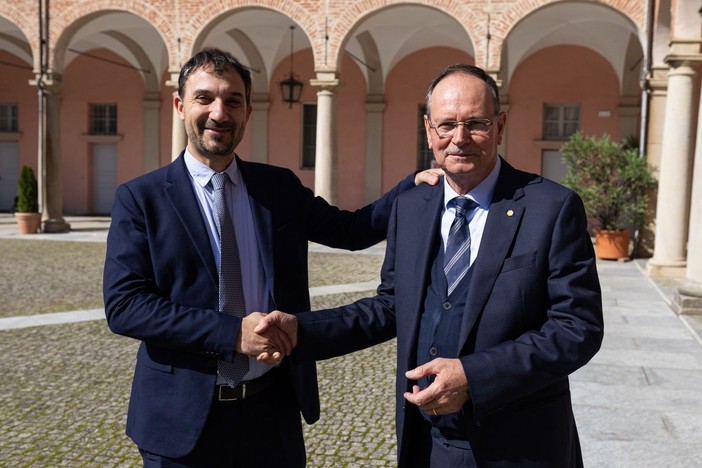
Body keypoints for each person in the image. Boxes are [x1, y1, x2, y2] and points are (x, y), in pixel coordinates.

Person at [102, 48, 439, 466]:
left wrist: (411, 186)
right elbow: (126, 307)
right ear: (179, 105)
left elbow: (350, 231)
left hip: (271, 412)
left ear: (247, 112)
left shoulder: (276, 187)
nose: (219, 113)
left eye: (233, 100)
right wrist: (232, 334)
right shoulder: (141, 198)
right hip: (181, 420)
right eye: (204, 98)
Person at [262, 64, 604, 466]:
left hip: (519, 446)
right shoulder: (412, 207)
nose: (459, 138)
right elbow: (391, 305)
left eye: (475, 123)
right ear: (428, 131)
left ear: (500, 125)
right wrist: (300, 331)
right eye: (446, 125)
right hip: (427, 445)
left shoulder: (551, 207)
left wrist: (474, 377)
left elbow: (577, 328)